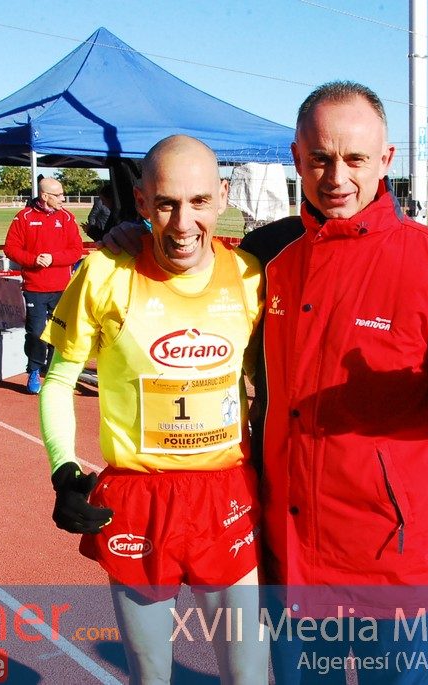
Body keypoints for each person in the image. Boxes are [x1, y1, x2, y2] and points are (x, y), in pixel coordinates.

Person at [104, 81, 428, 685]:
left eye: (355, 159)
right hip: (291, 558)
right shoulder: (266, 253)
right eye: (320, 159)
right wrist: (132, 242)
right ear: (297, 157)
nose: (337, 176)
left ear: (385, 160)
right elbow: (189, 268)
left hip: (392, 561)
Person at [39, 135, 268, 684]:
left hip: (224, 496)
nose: (183, 222)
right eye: (166, 204)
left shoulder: (250, 276)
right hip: (139, 499)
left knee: (249, 671)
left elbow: (265, 386)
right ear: (141, 202)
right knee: (150, 672)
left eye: (198, 202)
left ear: (223, 196)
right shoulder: (104, 275)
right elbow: (60, 379)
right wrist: (62, 468)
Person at [4, 177, 84, 394]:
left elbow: (76, 250)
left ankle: (54, 371)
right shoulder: (24, 218)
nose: (63, 198)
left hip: (62, 287)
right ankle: (34, 370)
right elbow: (10, 248)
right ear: (44, 196)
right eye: (58, 195)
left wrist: (54, 258)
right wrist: (33, 259)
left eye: (62, 194)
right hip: (35, 287)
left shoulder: (67, 218)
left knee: (60, 331)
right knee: (37, 331)